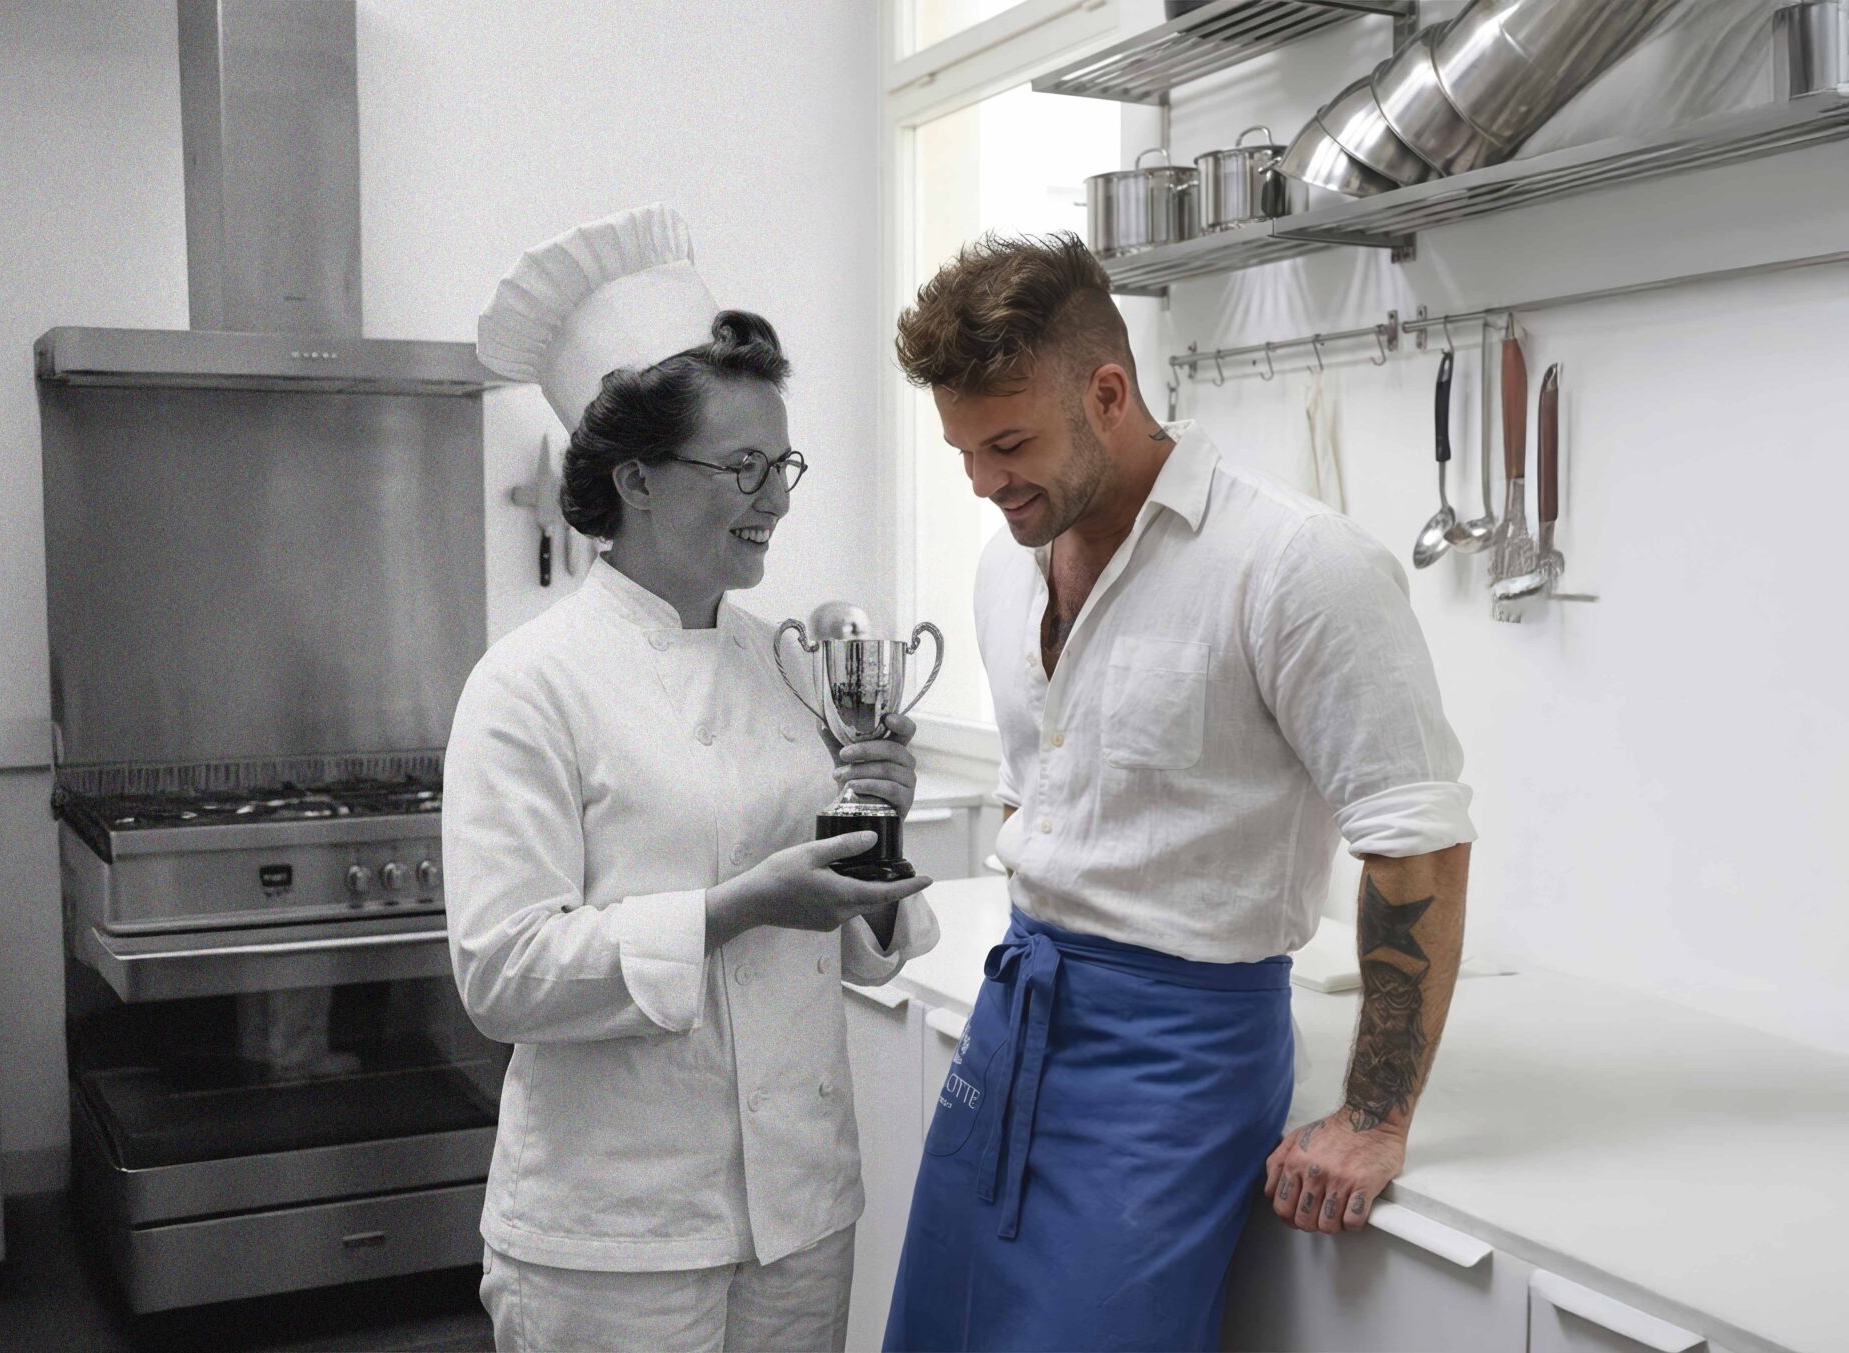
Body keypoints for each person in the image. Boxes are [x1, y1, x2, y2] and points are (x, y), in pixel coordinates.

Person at [882, 232, 1475, 1352]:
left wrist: (1375, 1117)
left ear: (1108, 394)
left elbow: (1417, 837)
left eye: (1008, 443)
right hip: (1015, 1018)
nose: (984, 482)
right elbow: (1033, 787)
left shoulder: (1298, 565)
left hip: (1176, 1062)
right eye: (963, 451)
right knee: (935, 1334)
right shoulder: (1008, 560)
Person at [447, 203, 939, 1353]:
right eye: (743, 467)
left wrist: (876, 831)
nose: (778, 499)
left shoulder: (787, 665)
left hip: (799, 1213)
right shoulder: (529, 684)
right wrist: (735, 908)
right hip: (616, 1238)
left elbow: (858, 948)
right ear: (637, 479)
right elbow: (502, 976)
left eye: (783, 464)